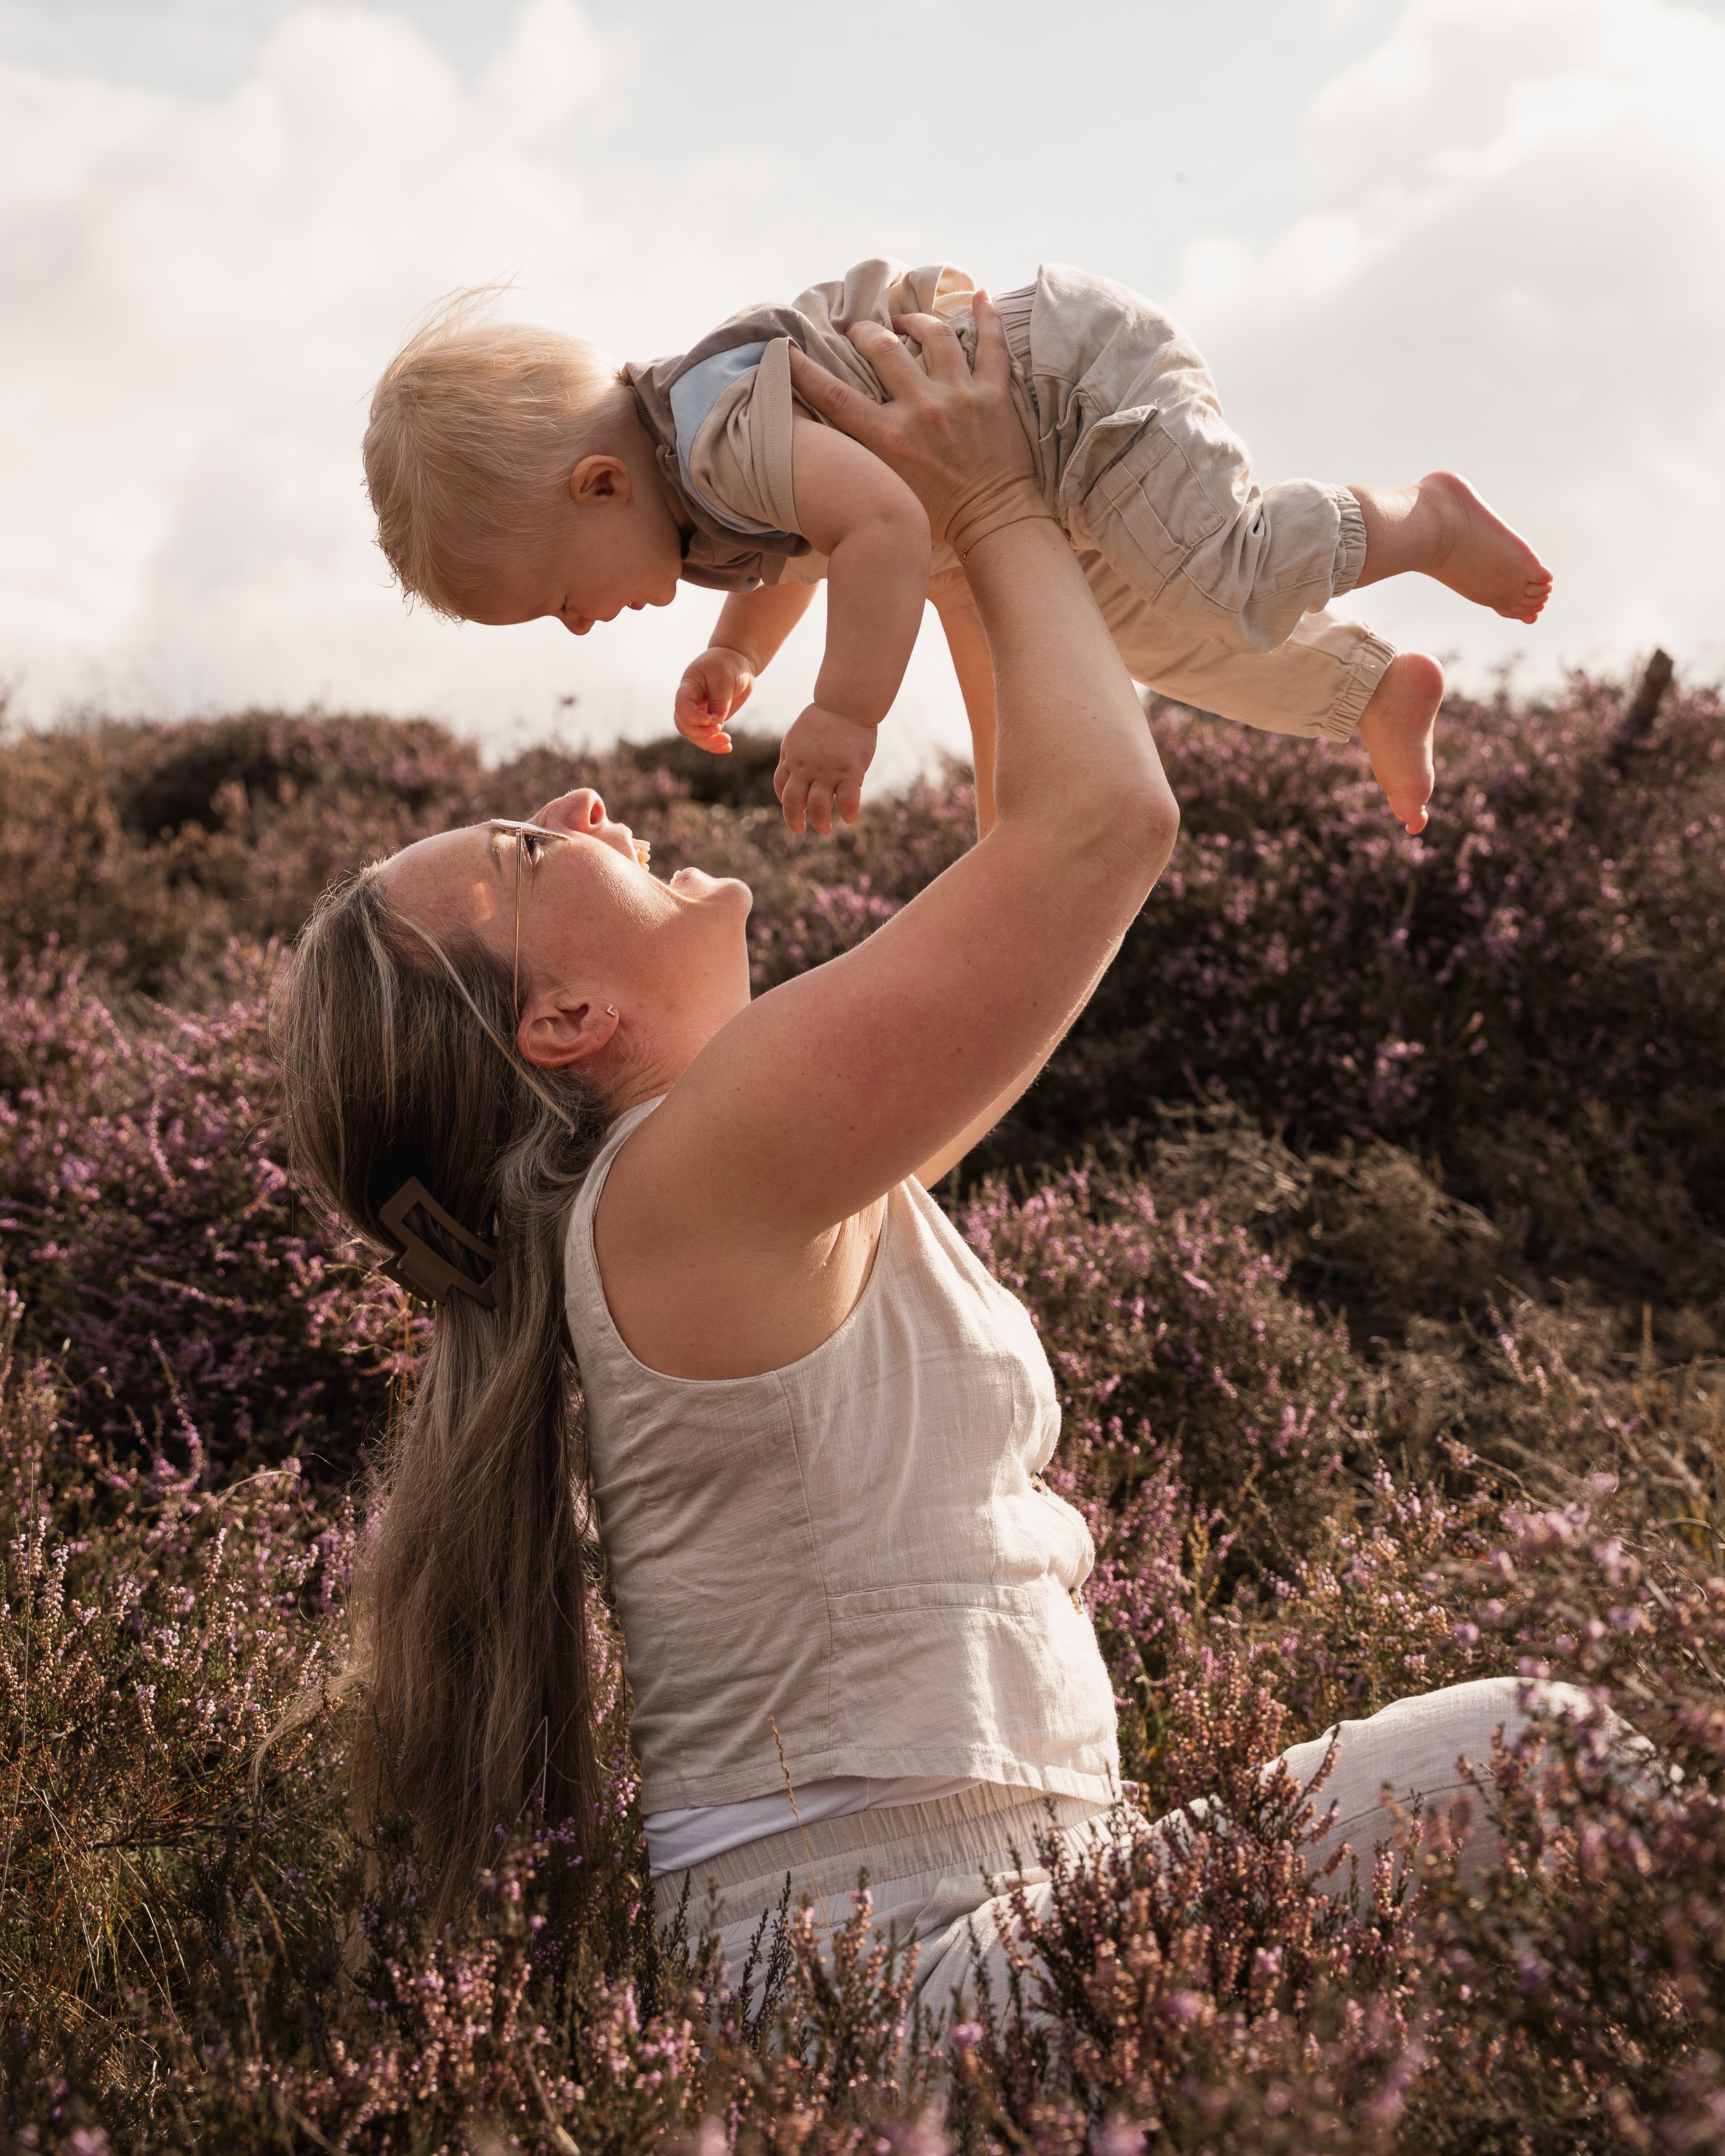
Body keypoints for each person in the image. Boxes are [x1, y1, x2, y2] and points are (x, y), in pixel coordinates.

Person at [282, 296, 1610, 2006]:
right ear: (562, 1023)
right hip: (896, 1975)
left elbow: (1028, 844)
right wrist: (982, 500)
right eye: (533, 853)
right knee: (1547, 1759)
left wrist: (975, 540)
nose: (585, 806)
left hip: (975, 1933)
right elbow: (1097, 827)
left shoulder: (724, 1188)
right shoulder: (693, 1179)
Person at [361, 259, 1551, 841]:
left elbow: (878, 526)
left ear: (599, 484)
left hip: (1070, 389)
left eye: (561, 600)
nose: (581, 624)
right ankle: (1368, 691)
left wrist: (846, 713)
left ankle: (1423, 520)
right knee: (1138, 641)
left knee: (1213, 574)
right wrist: (741, 655)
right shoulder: (695, 488)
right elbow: (811, 543)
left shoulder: (713, 436)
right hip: (1027, 467)